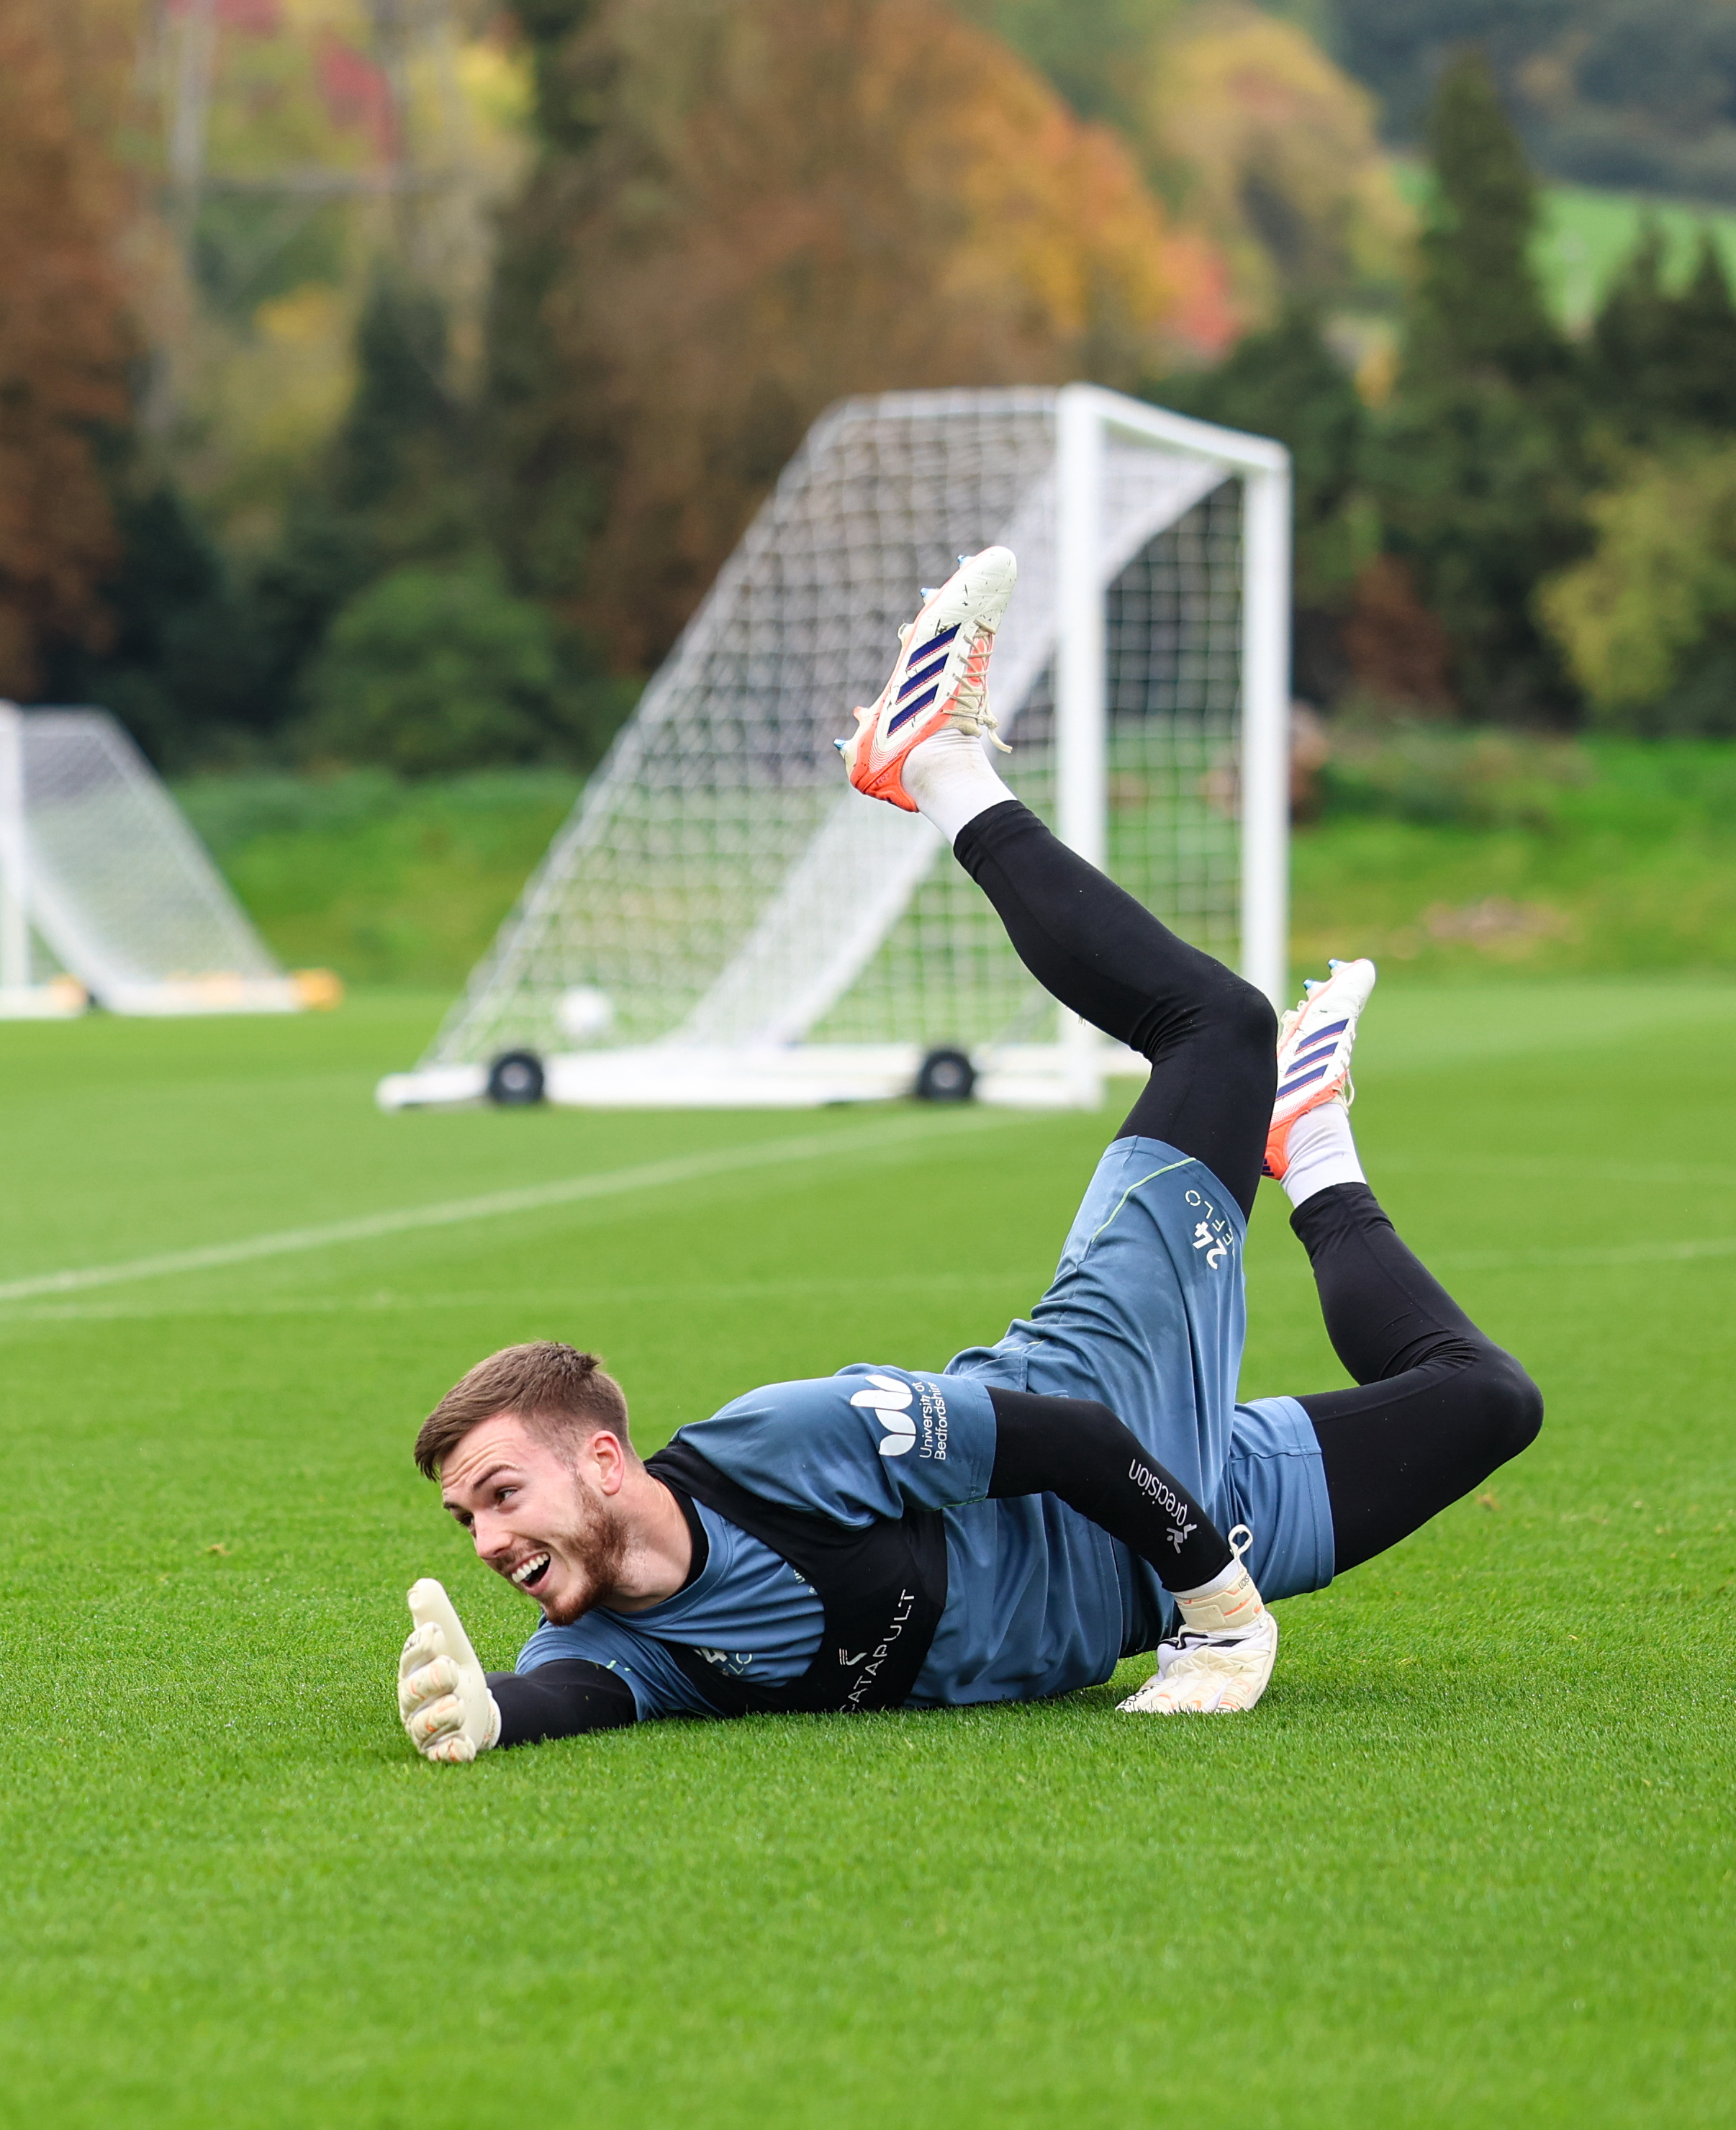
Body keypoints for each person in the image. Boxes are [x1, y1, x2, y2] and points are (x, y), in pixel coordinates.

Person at [394, 548, 1544, 1761]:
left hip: (1117, 1399)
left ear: (602, 1457)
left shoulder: (782, 1444)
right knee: (1487, 1399)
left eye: (501, 1490)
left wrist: (1217, 1614)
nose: (481, 1539)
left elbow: (1075, 1439)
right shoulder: (618, 1645)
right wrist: (479, 1713)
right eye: (465, 1513)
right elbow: (552, 1700)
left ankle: (933, 766)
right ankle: (1305, 1143)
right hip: (1185, 1524)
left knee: (1218, 1027)